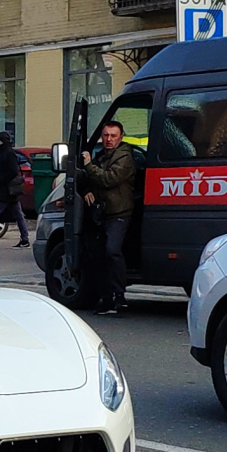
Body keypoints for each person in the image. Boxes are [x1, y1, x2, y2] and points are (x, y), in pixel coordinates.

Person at [76, 120, 140, 313]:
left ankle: (119, 296)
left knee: (112, 250)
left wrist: (88, 165)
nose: (108, 139)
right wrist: (87, 189)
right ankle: (106, 298)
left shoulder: (125, 157)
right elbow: (87, 179)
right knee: (97, 254)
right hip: (100, 212)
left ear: (121, 138)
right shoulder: (101, 156)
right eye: (105, 135)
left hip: (119, 212)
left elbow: (108, 179)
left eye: (113, 136)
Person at [0, 131, 29, 247]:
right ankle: (25, 239)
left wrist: (2, 180)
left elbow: (13, 170)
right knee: (18, 215)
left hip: (5, 190)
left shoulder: (6, 153)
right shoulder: (6, 152)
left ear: (1, 140)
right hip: (10, 191)